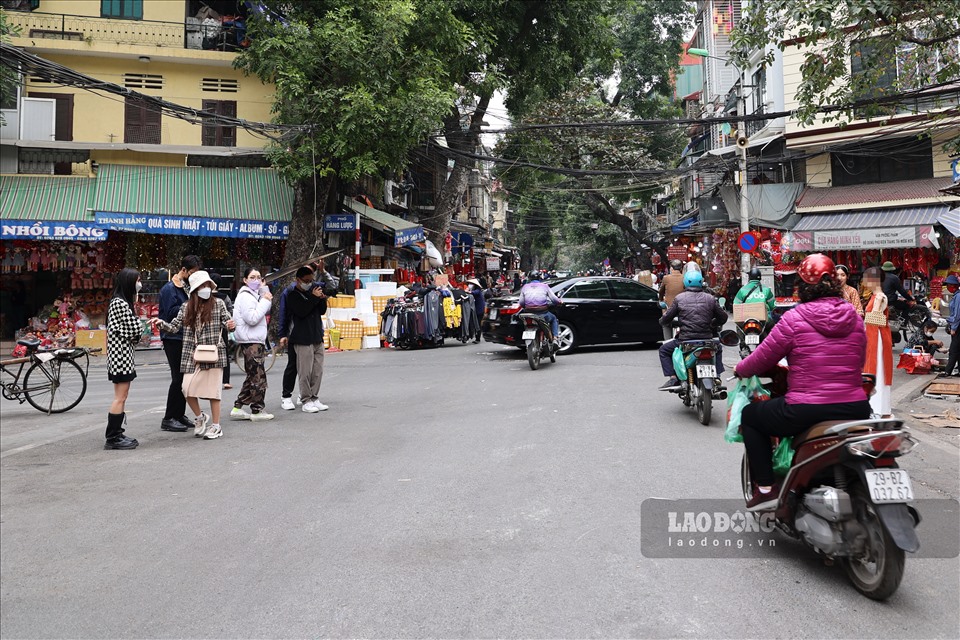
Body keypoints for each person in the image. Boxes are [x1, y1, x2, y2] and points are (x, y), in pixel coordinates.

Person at [734, 254, 871, 510]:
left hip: (805, 409)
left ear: (802, 286)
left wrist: (741, 369)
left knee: (751, 416)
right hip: (856, 407)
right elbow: (858, 359)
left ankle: (765, 488)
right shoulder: (854, 317)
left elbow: (761, 359)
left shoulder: (794, 319)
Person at [152, 271, 236, 440]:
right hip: (191, 353)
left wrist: (231, 325)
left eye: (207, 285)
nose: (206, 288)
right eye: (202, 286)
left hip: (213, 352)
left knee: (213, 392)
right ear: (195, 289)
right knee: (186, 388)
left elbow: (228, 323)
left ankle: (216, 426)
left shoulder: (218, 304)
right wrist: (161, 324)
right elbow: (174, 327)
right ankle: (200, 417)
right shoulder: (186, 307)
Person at [657, 269, 728, 390]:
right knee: (718, 348)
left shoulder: (679, 298)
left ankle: (673, 378)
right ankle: (717, 375)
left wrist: (664, 321)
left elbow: (665, 319)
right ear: (701, 282)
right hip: (706, 339)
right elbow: (723, 317)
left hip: (685, 340)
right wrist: (712, 324)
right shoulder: (710, 298)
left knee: (664, 350)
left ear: (685, 283)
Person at [157, 255, 202, 433]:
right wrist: (189, 305)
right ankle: (169, 417)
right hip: (173, 337)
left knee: (185, 378)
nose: (194, 277)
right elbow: (169, 314)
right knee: (178, 378)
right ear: (183, 270)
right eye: (192, 273)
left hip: (184, 336)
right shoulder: (170, 288)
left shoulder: (186, 287)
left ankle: (179, 414)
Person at [105, 268, 144, 450]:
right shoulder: (120, 303)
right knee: (120, 397)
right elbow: (134, 329)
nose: (139, 284)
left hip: (121, 355)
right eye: (137, 280)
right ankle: (113, 437)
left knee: (122, 396)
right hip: (120, 356)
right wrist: (141, 324)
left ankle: (116, 433)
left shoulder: (120, 301)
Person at [229, 267, 275, 422]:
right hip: (251, 341)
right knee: (258, 377)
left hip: (253, 339)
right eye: (252, 277)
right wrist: (265, 300)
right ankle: (257, 409)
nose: (256, 280)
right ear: (245, 279)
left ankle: (238, 407)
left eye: (259, 277)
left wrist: (264, 293)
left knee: (252, 376)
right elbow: (253, 318)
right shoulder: (246, 296)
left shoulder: (252, 295)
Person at [288, 266, 328, 413]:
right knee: (305, 371)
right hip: (302, 338)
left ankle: (314, 397)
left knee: (318, 370)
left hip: (317, 336)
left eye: (311, 280)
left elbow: (322, 311)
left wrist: (322, 299)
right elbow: (302, 311)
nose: (309, 283)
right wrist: (313, 297)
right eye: (306, 281)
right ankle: (305, 399)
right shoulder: (293, 295)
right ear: (298, 280)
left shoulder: (314, 293)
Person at [862, 266, 893, 418]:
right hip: (875, 333)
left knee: (876, 366)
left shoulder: (879, 297)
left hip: (877, 335)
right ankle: (879, 406)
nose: (864, 282)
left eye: (866, 279)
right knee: (875, 367)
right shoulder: (876, 296)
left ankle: (877, 406)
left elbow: (874, 316)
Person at [517, 271, 561, 345]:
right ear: (539, 277)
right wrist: (559, 302)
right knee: (553, 319)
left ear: (530, 278)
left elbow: (521, 302)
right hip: (543, 313)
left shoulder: (525, 287)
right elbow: (554, 300)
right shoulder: (545, 286)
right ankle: (555, 339)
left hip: (529, 314)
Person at [277, 277, 299, 410]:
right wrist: (283, 334)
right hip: (294, 334)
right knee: (293, 365)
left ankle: (305, 394)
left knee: (308, 368)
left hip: (311, 334)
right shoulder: (289, 291)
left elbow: (331, 285)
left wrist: (323, 272)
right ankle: (286, 396)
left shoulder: (315, 289)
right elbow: (283, 313)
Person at [212, 273, 235, 390]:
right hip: (222, 330)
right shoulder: (224, 297)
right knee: (224, 355)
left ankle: (209, 380)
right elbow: (230, 312)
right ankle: (226, 381)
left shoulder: (203, 296)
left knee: (208, 354)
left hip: (209, 330)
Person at [942, 274, 960, 377]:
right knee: (958, 349)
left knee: (953, 350)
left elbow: (957, 314)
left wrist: (953, 328)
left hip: (958, 326)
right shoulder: (956, 296)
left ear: (953, 286)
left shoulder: (958, 297)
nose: (948, 288)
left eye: (949, 286)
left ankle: (947, 371)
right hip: (956, 325)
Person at [466, 278, 486, 343]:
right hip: (477, 309)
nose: (470, 285)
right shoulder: (476, 290)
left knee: (478, 324)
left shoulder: (478, 290)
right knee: (476, 323)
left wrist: (468, 291)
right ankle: (477, 337)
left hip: (479, 310)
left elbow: (473, 293)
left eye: (471, 284)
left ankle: (478, 339)